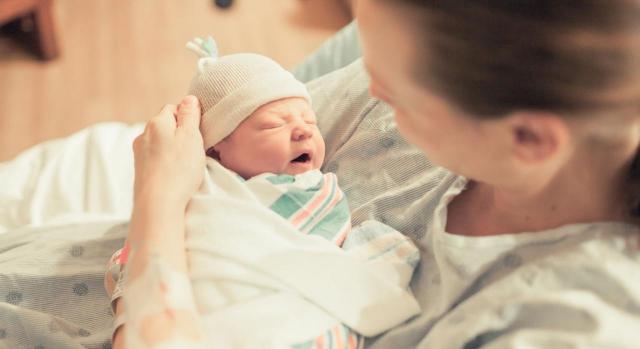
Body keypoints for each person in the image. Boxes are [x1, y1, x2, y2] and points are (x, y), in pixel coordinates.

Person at [119, 0, 640, 348]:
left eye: (392, 88)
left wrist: (158, 199)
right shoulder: (420, 70)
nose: (370, 91)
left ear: (527, 139)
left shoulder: (558, 321)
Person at [106, 38, 420, 348]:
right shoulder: (205, 188)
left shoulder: (312, 190)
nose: (303, 130)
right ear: (215, 153)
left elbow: (319, 245)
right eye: (273, 125)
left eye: (310, 120)